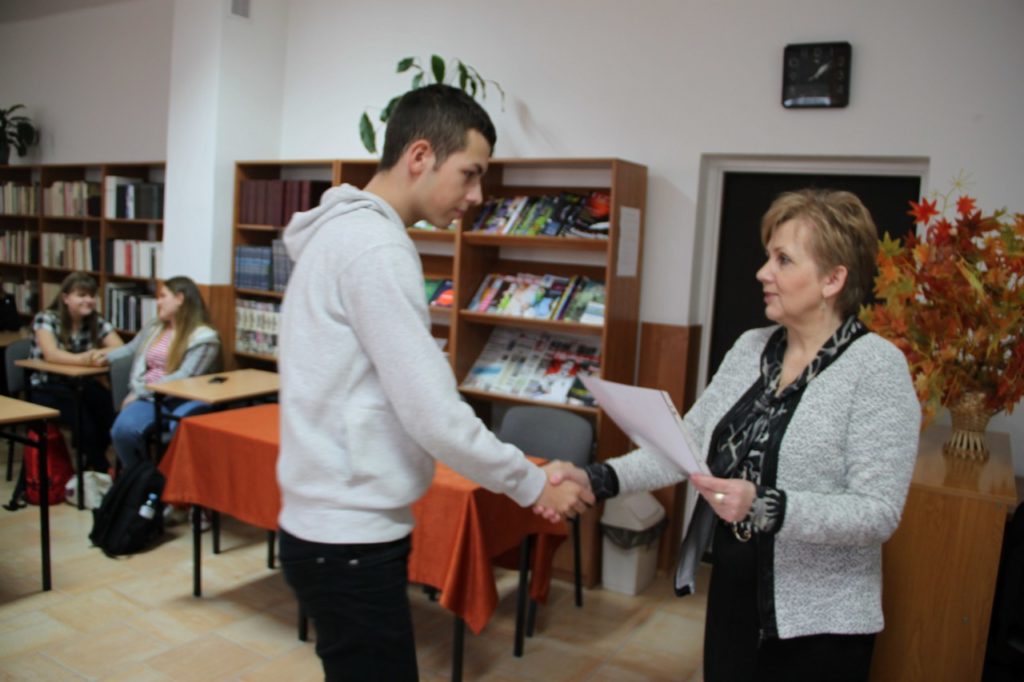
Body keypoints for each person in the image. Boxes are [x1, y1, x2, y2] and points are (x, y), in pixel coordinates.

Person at [275, 83, 593, 681]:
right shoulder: (374, 246)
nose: (477, 196)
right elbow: (433, 415)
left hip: (328, 527)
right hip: (348, 536)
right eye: (470, 174)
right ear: (420, 156)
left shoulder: (342, 233)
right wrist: (532, 484)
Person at [543, 189, 921, 681]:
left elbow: (877, 512)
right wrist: (597, 479)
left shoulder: (877, 369)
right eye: (768, 257)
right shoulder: (750, 348)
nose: (763, 273)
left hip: (820, 625)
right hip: (733, 599)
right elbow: (685, 448)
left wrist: (765, 506)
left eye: (783, 260)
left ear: (833, 279)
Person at [102, 276, 220, 471]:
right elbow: (132, 348)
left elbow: (184, 377)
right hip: (149, 398)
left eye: (163, 296)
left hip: (183, 398)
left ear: (180, 299)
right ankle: (141, 479)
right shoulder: (155, 326)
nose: (158, 302)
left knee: (181, 430)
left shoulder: (204, 338)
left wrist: (140, 392)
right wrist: (104, 357)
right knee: (122, 432)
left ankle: (172, 482)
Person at [29, 272, 124, 472]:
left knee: (110, 413)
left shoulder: (95, 320)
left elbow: (119, 347)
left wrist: (96, 354)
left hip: (80, 383)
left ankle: (92, 465)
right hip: (47, 385)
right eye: (81, 295)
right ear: (66, 298)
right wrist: (84, 358)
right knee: (84, 421)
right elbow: (51, 354)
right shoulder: (46, 318)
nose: (88, 300)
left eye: (91, 295)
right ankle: (103, 468)